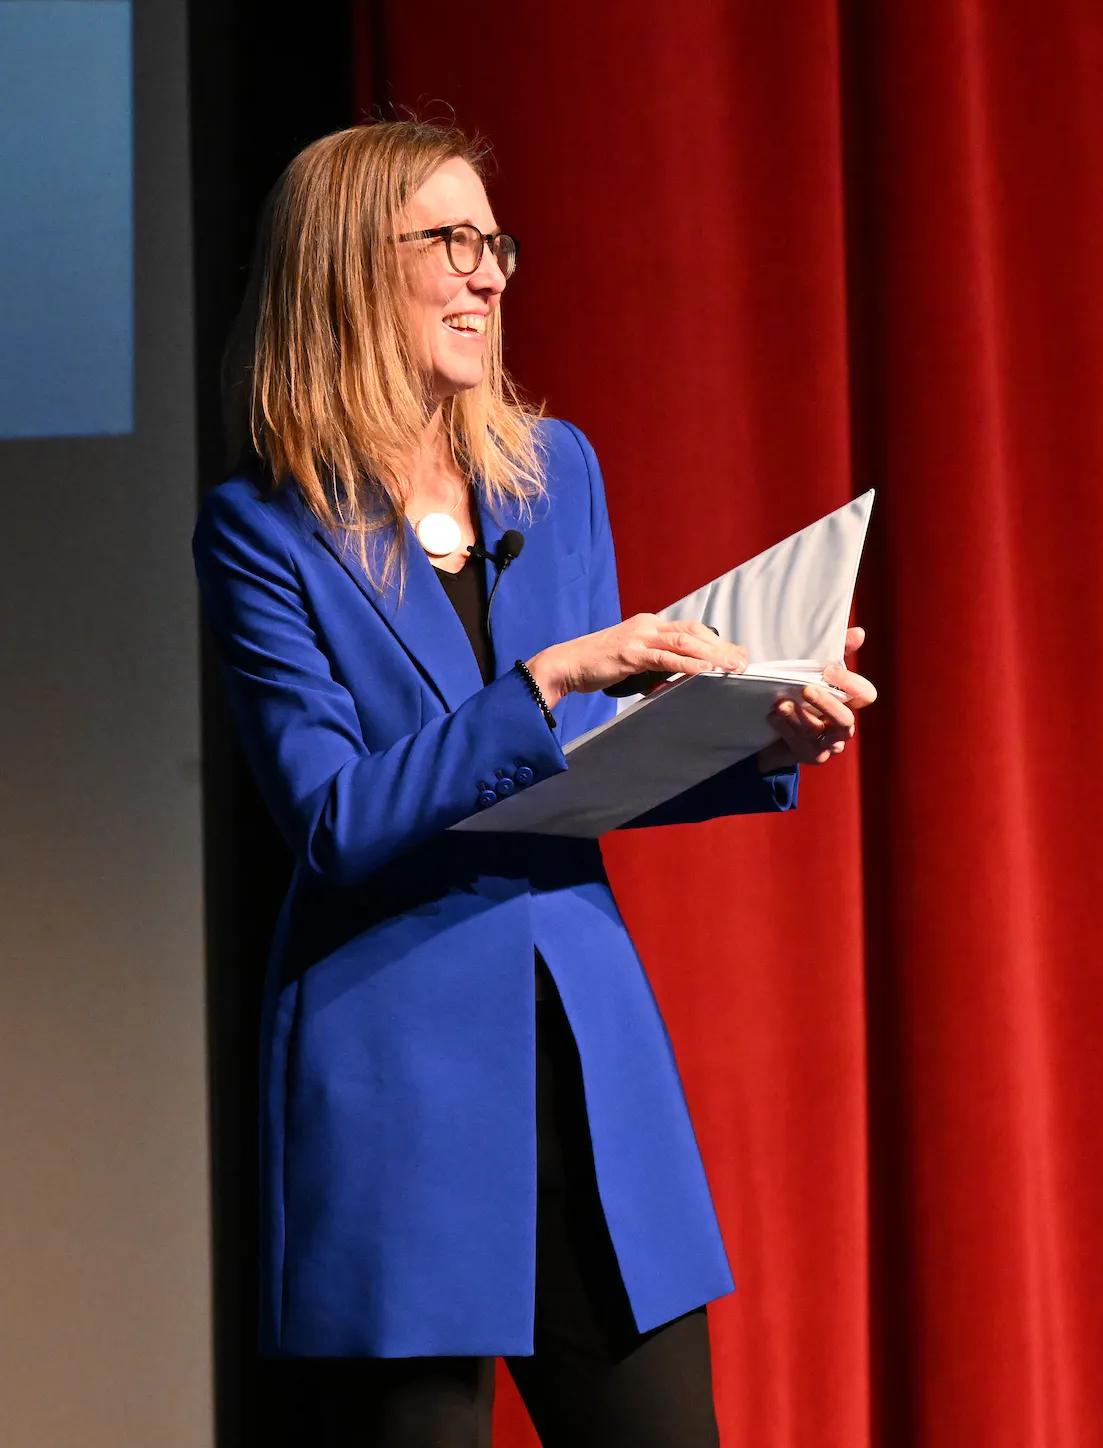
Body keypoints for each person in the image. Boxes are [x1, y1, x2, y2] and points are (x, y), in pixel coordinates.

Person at [192, 120, 876, 1448]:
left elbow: (588, 777)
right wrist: (549, 680)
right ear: (344, 272)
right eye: (447, 243)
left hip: (587, 1057)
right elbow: (331, 820)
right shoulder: (263, 529)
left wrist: (757, 738)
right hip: (400, 1084)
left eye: (491, 243)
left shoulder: (555, 477)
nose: (486, 274)